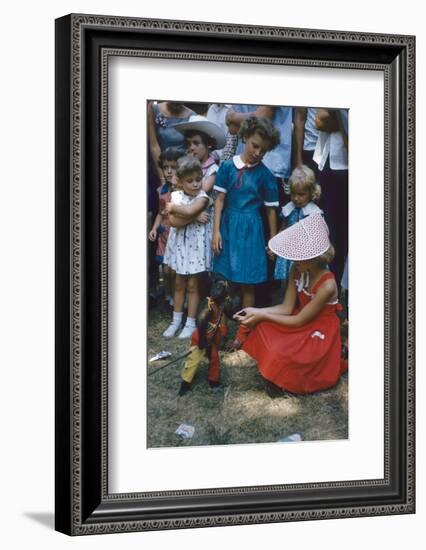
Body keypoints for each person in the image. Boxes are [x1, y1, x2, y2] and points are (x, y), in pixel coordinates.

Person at [234, 214, 347, 395]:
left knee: (287, 351)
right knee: (263, 326)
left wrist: (261, 315)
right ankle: (277, 374)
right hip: (299, 318)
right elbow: (286, 308)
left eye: (299, 257)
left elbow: (300, 320)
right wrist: (255, 311)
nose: (294, 261)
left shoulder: (327, 284)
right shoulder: (297, 269)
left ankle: (287, 379)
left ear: (313, 257)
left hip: (318, 329)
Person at [212, 116, 280, 349]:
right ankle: (218, 326)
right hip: (229, 227)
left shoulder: (266, 176)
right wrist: (216, 232)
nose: (258, 153)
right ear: (244, 138)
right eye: (255, 146)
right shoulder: (227, 167)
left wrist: (272, 241)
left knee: (248, 283)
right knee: (225, 280)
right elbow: (219, 199)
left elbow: (271, 212)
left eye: (264, 150)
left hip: (251, 231)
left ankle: (244, 331)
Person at [162, 156, 213, 339]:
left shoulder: (203, 198)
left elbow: (190, 211)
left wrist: (175, 209)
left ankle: (190, 323)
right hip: (180, 247)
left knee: (192, 285)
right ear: (181, 181)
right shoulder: (176, 196)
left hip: (195, 249)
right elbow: (174, 222)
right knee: (178, 283)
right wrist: (193, 216)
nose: (195, 184)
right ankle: (176, 321)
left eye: (198, 179)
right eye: (189, 181)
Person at [274, 165, 323, 286]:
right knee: (289, 281)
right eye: (293, 194)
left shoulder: (314, 213)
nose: (296, 198)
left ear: (311, 193)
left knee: (305, 281)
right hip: (289, 252)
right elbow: (283, 228)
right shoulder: (288, 209)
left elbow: (318, 237)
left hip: (305, 254)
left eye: (301, 194)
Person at [148, 147, 184, 306]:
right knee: (166, 269)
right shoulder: (160, 190)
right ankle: (168, 294)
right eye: (166, 167)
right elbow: (160, 213)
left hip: (179, 232)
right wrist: (154, 228)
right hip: (164, 234)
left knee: (176, 269)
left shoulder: (184, 189)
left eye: (173, 167)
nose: (169, 171)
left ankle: (178, 297)